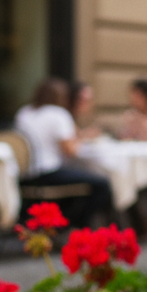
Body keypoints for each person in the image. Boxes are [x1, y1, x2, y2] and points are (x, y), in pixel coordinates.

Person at [15, 78, 113, 227]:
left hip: (26, 176)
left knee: (82, 180)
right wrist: (83, 140)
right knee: (102, 185)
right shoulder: (58, 114)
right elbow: (70, 151)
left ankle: (61, 224)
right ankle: (75, 225)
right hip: (49, 173)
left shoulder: (24, 112)